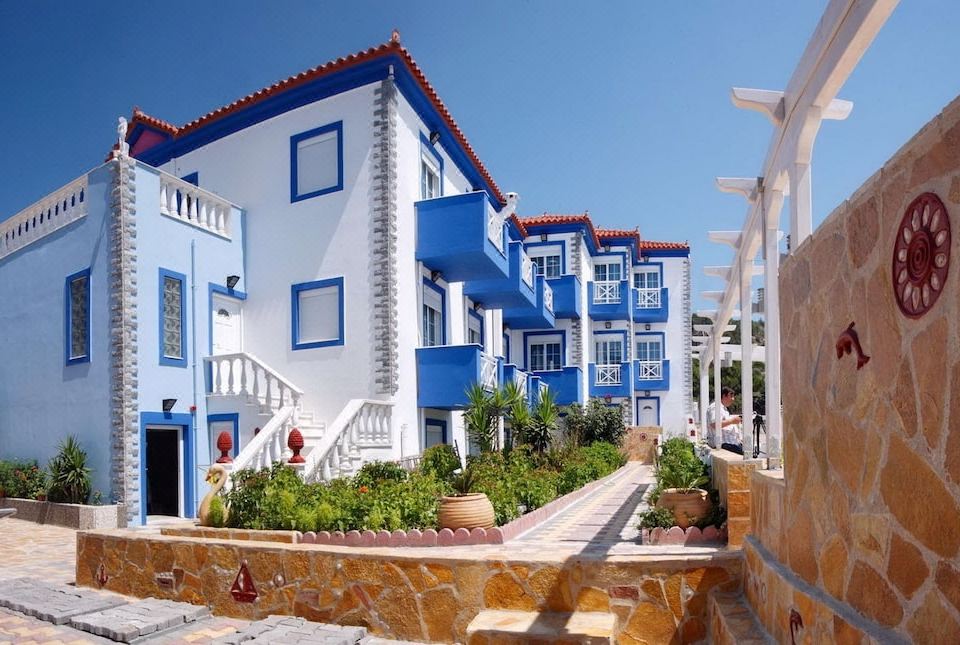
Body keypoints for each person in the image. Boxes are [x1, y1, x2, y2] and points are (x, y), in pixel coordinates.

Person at [705, 386, 743, 453]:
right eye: (731, 396)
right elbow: (714, 424)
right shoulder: (715, 407)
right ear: (724, 396)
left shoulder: (723, 409)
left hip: (730, 443)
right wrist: (732, 421)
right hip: (724, 444)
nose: (733, 399)